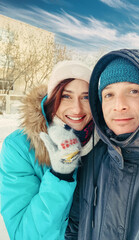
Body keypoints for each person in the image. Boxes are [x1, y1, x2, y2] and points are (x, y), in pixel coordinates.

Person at [65, 49, 139, 239]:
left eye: (133, 91)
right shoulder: (90, 159)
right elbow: (73, 228)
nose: (119, 105)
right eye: (109, 95)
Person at [0, 60, 99, 240]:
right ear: (52, 99)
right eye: (66, 96)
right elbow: (24, 234)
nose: (77, 108)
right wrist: (60, 176)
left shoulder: (106, 143)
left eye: (85, 97)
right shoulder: (20, 147)